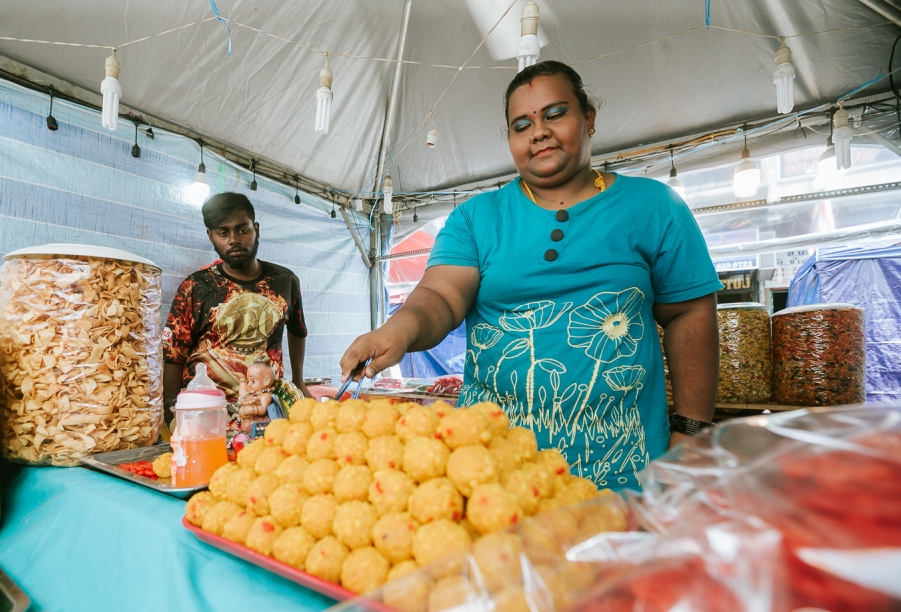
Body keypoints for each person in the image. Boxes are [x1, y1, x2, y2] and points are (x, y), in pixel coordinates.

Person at [340, 61, 722, 491]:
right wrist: (400, 329)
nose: (538, 131)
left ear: (589, 118)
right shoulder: (476, 218)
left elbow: (690, 314)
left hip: (623, 472)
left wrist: (690, 434)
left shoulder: (655, 207)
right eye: (521, 124)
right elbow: (441, 297)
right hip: (492, 475)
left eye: (555, 113)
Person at [164, 192, 311, 426]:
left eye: (242, 230)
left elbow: (298, 329)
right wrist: (171, 411)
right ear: (210, 236)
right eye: (223, 233)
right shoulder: (195, 287)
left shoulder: (285, 281)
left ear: (257, 229)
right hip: (207, 413)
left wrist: (299, 381)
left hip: (264, 411)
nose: (234, 239)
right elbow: (173, 354)